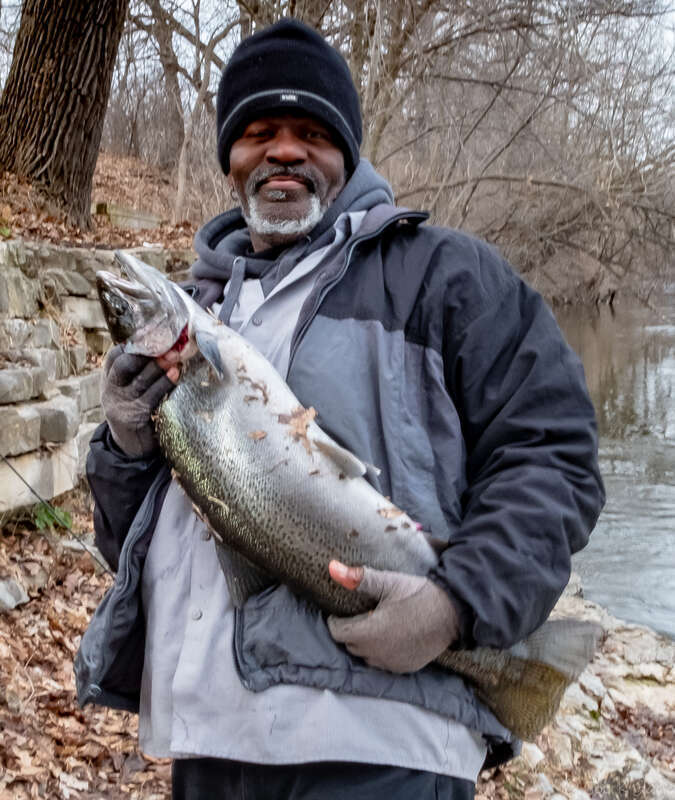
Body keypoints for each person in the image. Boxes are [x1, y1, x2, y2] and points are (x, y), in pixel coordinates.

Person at [75, 18, 604, 800]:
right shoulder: (201, 314)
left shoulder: (443, 275)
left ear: (347, 152)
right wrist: (123, 447)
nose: (282, 150)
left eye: (309, 132)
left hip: (379, 739)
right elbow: (139, 544)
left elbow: (552, 457)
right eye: (258, 131)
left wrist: (456, 605)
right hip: (205, 742)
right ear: (230, 157)